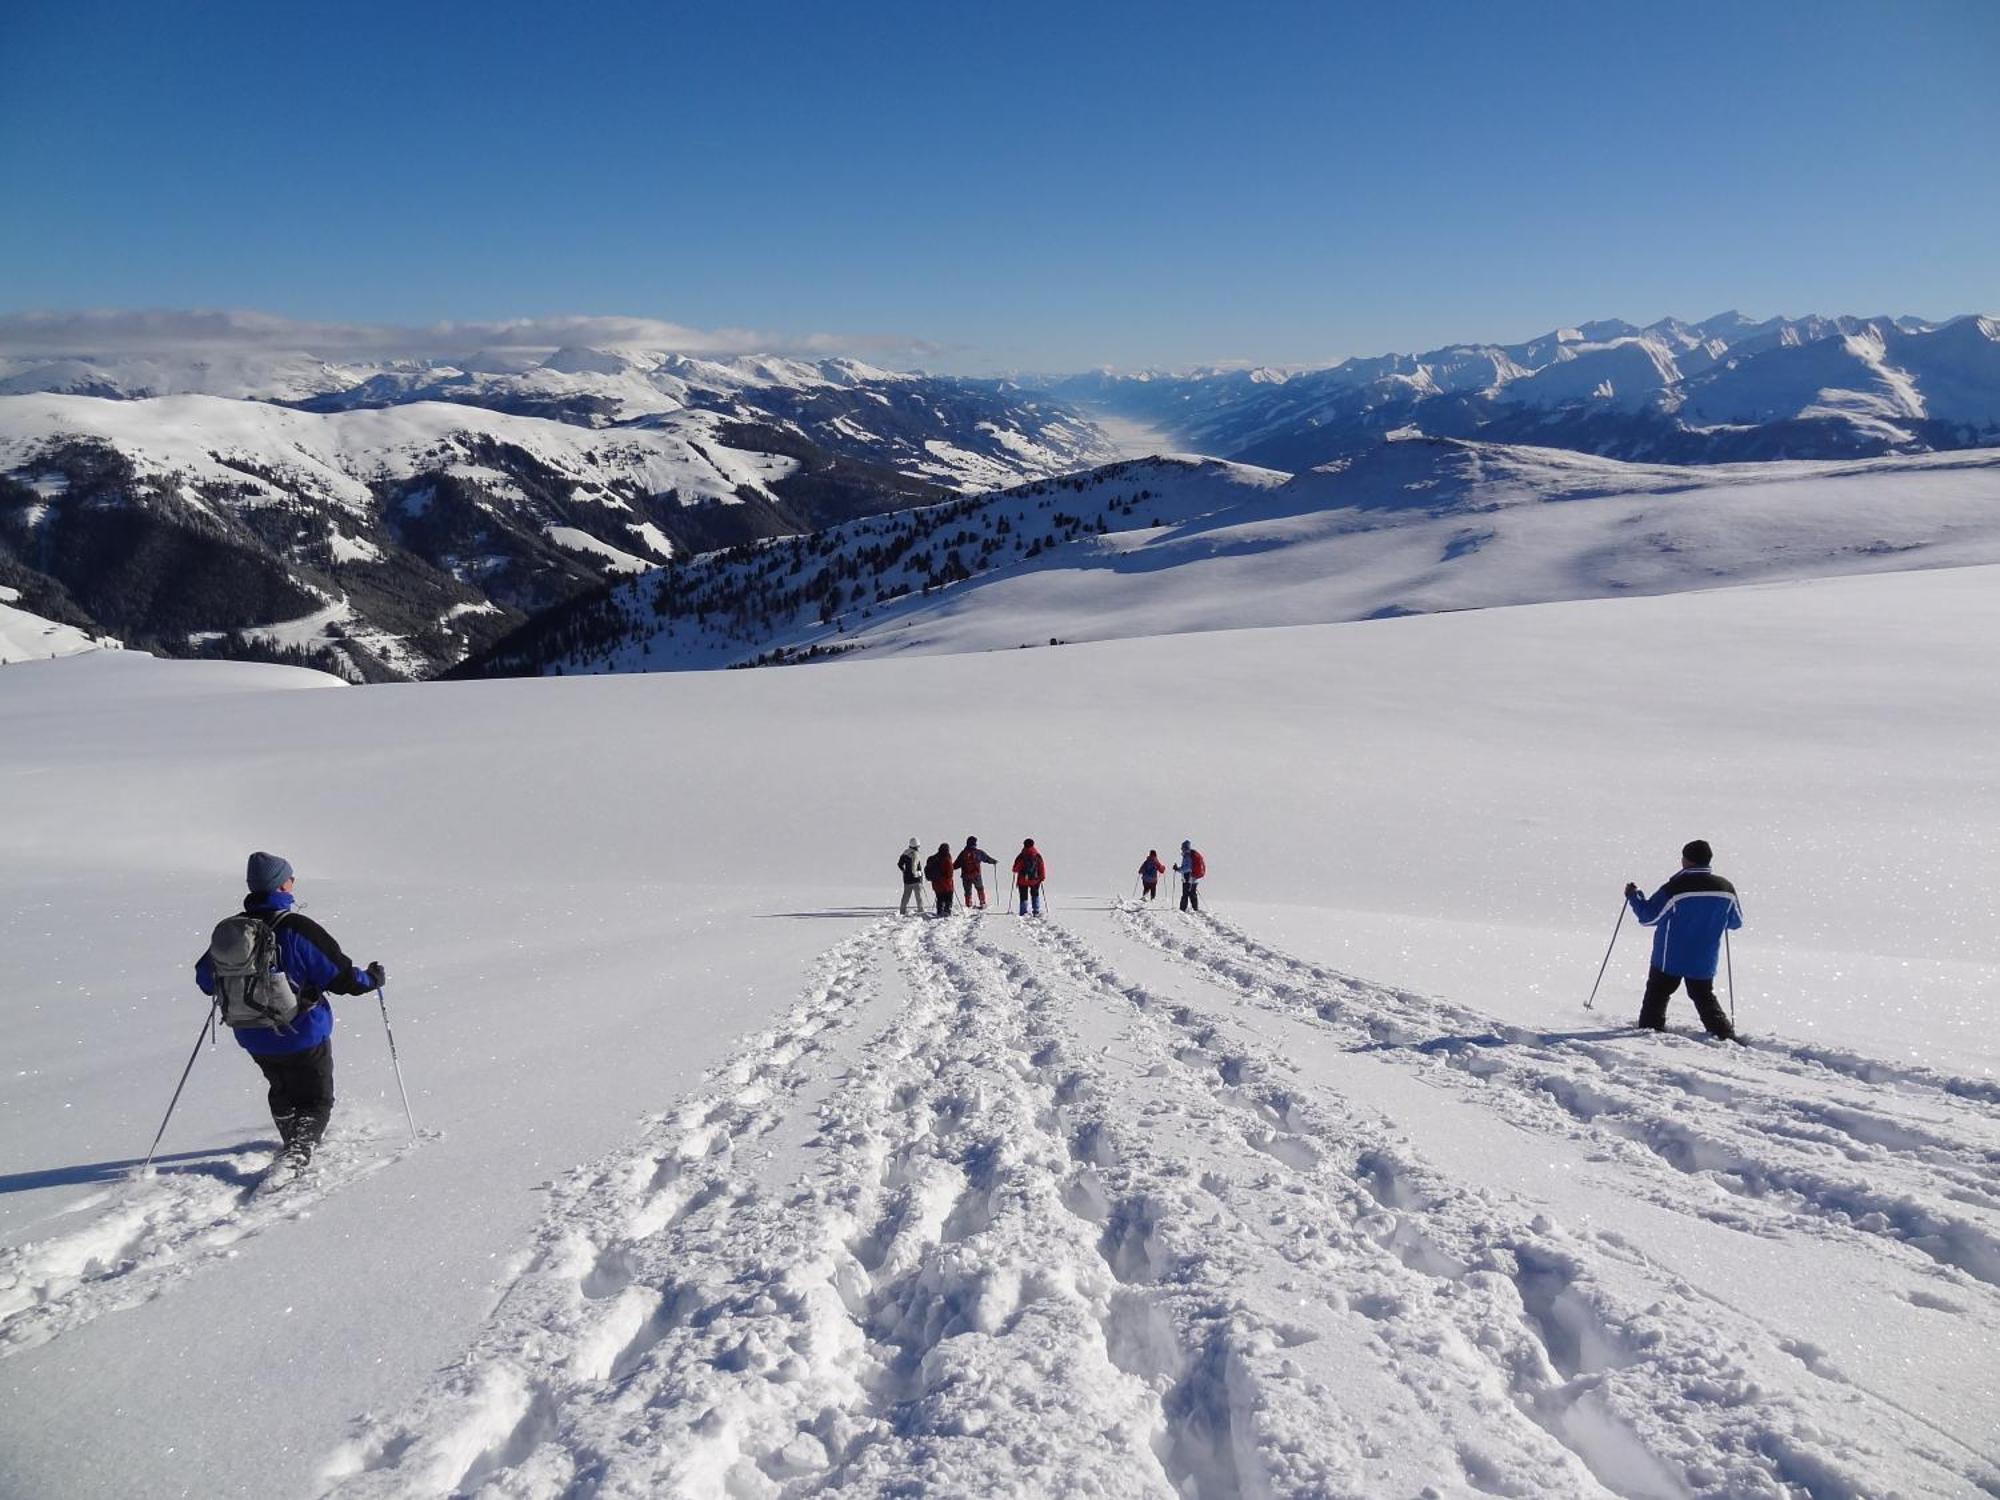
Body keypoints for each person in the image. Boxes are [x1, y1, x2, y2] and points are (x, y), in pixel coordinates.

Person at [194, 852, 384, 1168]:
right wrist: (373, 979)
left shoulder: (234, 932)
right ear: (282, 885)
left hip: (252, 1034)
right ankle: (298, 1151)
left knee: (281, 1086)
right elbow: (342, 978)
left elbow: (205, 979)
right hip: (303, 1033)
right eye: (291, 878)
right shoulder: (296, 928)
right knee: (316, 1099)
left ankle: (291, 1133)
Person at [1624, 839, 1741, 1040]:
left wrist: (1634, 897)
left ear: (1686, 860)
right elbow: (1735, 922)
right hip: (1704, 959)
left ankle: (1649, 1034)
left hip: (1669, 957)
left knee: (1658, 995)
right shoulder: (1726, 888)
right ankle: (1724, 1034)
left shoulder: (1675, 888)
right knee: (1703, 996)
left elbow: (1649, 917)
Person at [956, 836, 998, 909]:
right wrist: (993, 861)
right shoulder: (978, 852)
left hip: (965, 876)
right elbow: (987, 859)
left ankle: (968, 904)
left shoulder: (963, 853)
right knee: (980, 888)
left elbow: (956, 864)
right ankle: (982, 902)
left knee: (967, 891)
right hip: (976, 875)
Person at [1012, 838, 1047, 916]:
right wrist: (1042, 877)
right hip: (1035, 879)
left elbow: (1015, 869)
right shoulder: (1037, 855)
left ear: (1024, 845)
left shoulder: (1021, 856)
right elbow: (1041, 867)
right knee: (1035, 894)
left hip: (1022, 880)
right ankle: (1036, 910)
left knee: (1023, 896)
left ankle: (1023, 912)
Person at [924, 842, 956, 917]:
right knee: (948, 899)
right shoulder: (946, 859)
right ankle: (947, 912)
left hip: (936, 884)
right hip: (946, 884)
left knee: (940, 898)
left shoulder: (933, 858)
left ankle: (939, 912)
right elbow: (950, 872)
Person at [1175, 840, 1206, 912]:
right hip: (1195, 878)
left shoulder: (1187, 856)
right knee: (1192, 893)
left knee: (1185, 894)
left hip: (1188, 877)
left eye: (1182, 847)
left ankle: (1182, 910)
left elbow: (1187, 868)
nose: (1181, 849)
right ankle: (1195, 909)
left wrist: (1178, 869)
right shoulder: (1192, 855)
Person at [897, 838, 924, 916]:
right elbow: (917, 867)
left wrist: (904, 871)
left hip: (907, 880)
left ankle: (902, 911)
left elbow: (899, 864)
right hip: (916, 879)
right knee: (919, 897)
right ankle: (921, 910)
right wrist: (919, 874)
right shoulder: (916, 854)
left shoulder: (905, 853)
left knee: (905, 897)